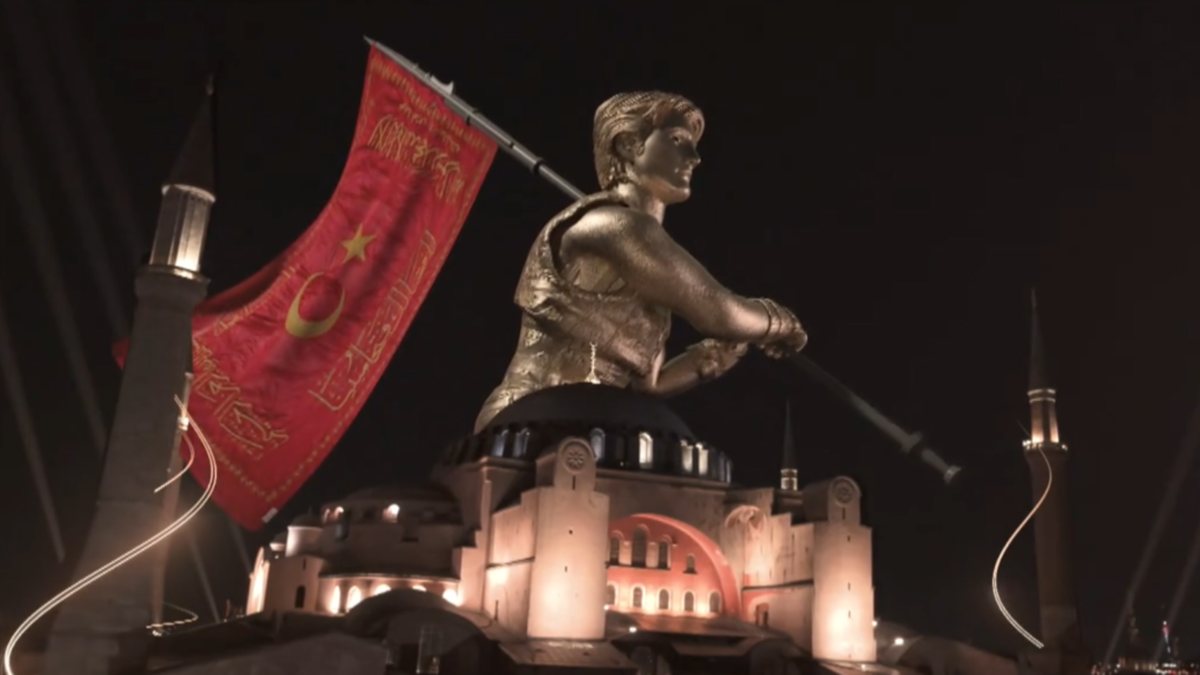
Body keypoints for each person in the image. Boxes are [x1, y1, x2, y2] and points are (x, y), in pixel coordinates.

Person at [474, 91, 807, 432]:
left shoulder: (643, 255)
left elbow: (649, 386)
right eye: (677, 140)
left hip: (591, 425)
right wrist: (779, 322)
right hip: (528, 423)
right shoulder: (615, 226)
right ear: (628, 145)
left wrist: (721, 354)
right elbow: (719, 312)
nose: (694, 157)